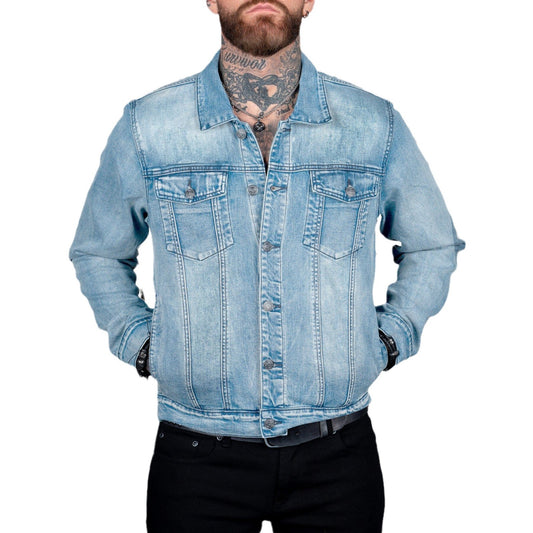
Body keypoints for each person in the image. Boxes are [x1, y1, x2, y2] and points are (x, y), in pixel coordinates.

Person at [69, 1, 465, 531]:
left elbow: (432, 244)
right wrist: (143, 344)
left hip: (337, 455)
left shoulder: (374, 124)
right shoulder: (149, 127)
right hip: (196, 458)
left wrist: (391, 337)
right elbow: (99, 250)